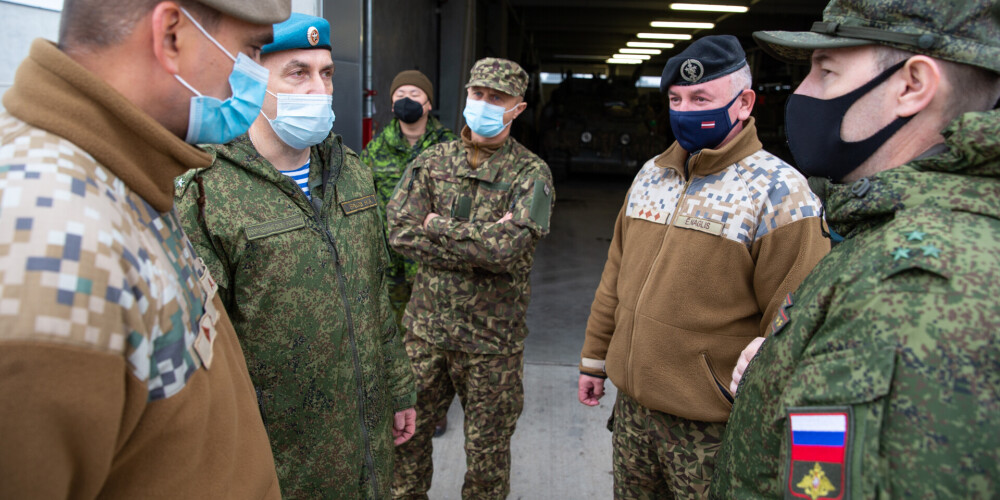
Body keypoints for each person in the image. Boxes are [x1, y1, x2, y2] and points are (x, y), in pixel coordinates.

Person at [0, 0, 289, 498]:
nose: (257, 79)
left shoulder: (123, 177)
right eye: (252, 51)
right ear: (172, 35)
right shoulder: (48, 246)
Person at [712, 0, 1000, 498]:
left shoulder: (912, 287)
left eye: (826, 72)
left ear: (912, 85)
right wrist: (785, 366)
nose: (801, 93)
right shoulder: (891, 235)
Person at [576, 35, 831, 498]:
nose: (685, 111)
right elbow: (615, 276)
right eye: (675, 99)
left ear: (744, 103)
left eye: (700, 98)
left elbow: (795, 323)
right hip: (634, 412)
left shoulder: (779, 193)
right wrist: (595, 360)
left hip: (711, 428)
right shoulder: (652, 174)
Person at [174, 13, 416, 499]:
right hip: (281, 461)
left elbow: (374, 294)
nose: (318, 90)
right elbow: (201, 352)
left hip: (368, 451)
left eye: (326, 74)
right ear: (251, 79)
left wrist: (399, 385)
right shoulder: (208, 191)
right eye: (297, 73)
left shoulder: (352, 172)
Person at [387, 57, 555, 499]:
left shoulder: (531, 174)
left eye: (496, 98)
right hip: (426, 335)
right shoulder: (432, 160)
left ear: (517, 109)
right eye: (477, 94)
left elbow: (506, 250)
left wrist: (437, 225)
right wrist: (477, 240)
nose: (483, 104)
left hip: (491, 345)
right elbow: (399, 231)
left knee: (487, 462)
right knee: (404, 446)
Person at [361, 70, 458, 437]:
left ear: (428, 103)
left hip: (433, 263)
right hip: (390, 264)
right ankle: (400, 404)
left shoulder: (449, 147)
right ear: (391, 103)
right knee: (394, 333)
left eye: (414, 92)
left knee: (434, 338)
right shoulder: (376, 148)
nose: (406, 98)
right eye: (400, 92)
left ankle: (433, 408)